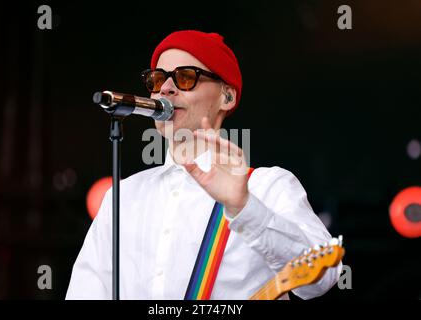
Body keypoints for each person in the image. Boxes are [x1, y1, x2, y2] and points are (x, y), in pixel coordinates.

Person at [66, 30, 342, 300]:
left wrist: (245, 208)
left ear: (227, 97)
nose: (165, 88)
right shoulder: (123, 196)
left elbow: (323, 277)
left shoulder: (268, 186)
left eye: (186, 77)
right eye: (157, 79)